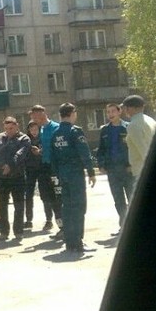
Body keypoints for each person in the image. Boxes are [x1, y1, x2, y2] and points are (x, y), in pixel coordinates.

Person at [49, 102, 96, 253]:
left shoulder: (55, 133)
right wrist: (91, 171)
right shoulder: (75, 131)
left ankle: (69, 242)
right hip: (75, 173)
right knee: (79, 207)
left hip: (63, 174)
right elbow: (84, 152)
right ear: (72, 113)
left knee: (67, 208)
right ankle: (78, 241)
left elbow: (52, 157)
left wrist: (56, 174)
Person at [0, 116, 30, 242]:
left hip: (17, 176)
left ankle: (18, 231)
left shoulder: (24, 139)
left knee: (18, 205)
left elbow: (21, 154)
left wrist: (10, 165)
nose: (9, 131)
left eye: (11, 128)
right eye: (6, 128)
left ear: (17, 126)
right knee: (1, 206)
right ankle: (4, 232)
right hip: (1, 178)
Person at [96, 103, 133, 234]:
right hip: (112, 170)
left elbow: (133, 148)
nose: (110, 114)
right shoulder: (105, 130)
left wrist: (131, 164)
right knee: (118, 199)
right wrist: (101, 164)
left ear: (119, 112)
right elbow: (101, 149)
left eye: (113, 111)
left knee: (132, 197)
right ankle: (123, 226)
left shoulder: (128, 127)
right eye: (108, 112)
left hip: (127, 169)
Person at [28, 105, 64, 237]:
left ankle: (67, 228)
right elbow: (47, 148)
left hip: (56, 169)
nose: (33, 120)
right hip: (45, 168)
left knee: (60, 199)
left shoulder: (56, 128)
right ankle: (61, 227)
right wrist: (40, 152)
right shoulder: (42, 130)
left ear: (42, 113)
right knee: (50, 199)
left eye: (34, 116)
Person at [121, 95, 156, 181]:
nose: (124, 110)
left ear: (131, 108)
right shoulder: (150, 120)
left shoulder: (133, 125)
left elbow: (143, 149)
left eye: (125, 108)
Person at [23, 120, 47, 230]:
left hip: (42, 169)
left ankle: (49, 219)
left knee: (45, 195)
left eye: (35, 129)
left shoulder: (44, 138)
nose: (33, 132)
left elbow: (47, 152)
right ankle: (28, 220)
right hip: (30, 169)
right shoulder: (26, 140)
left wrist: (40, 152)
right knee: (28, 196)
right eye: (31, 129)